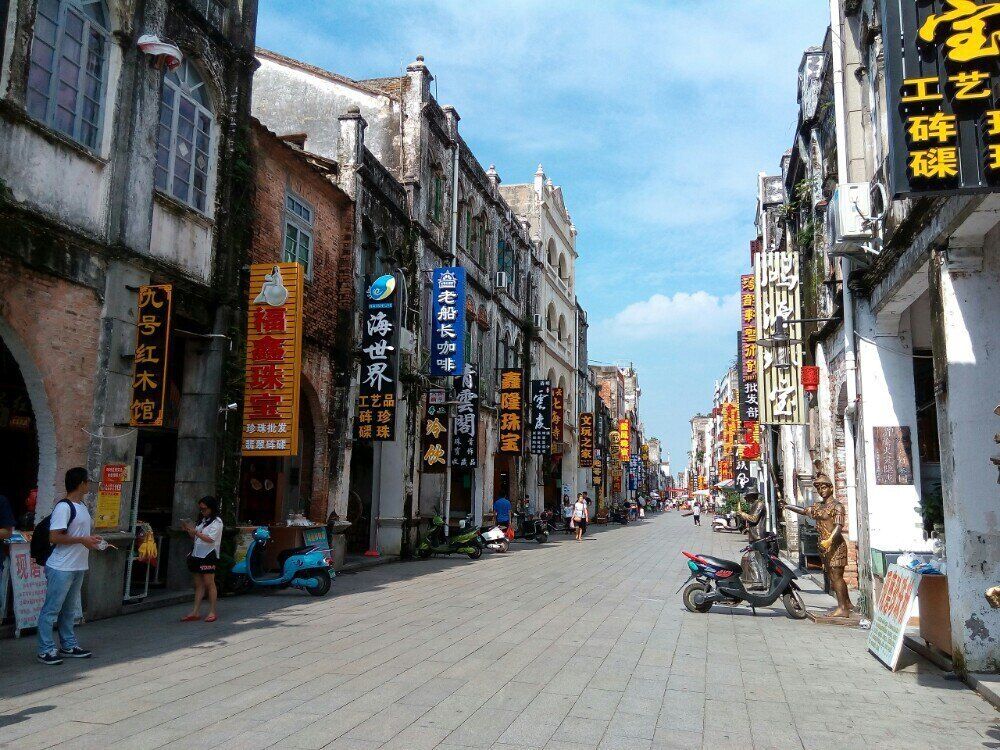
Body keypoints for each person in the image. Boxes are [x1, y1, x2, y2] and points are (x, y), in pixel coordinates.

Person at [37, 467, 102, 665]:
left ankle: (68, 645)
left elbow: (79, 534)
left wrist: (90, 540)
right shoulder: (64, 507)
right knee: (51, 609)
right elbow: (54, 536)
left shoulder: (81, 505)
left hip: (77, 565)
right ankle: (45, 649)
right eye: (87, 481)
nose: (89, 484)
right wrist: (82, 540)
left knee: (69, 610)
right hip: (61, 566)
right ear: (81, 483)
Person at [783, 470, 853, 618]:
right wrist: (788, 506)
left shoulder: (837, 506)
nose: (822, 491)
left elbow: (839, 527)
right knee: (832, 577)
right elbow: (804, 511)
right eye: (819, 488)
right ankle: (847, 603)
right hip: (823, 546)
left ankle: (843, 608)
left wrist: (829, 540)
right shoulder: (818, 507)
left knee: (836, 577)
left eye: (824, 487)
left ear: (831, 488)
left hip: (835, 545)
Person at [181, 496, 223, 623]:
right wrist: (189, 530)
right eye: (200, 509)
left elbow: (210, 539)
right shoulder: (202, 521)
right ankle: (195, 611)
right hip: (197, 554)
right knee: (198, 584)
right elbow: (196, 538)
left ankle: (212, 611)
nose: (202, 511)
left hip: (209, 555)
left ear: (211, 508)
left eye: (204, 509)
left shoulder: (217, 522)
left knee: (210, 583)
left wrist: (195, 532)